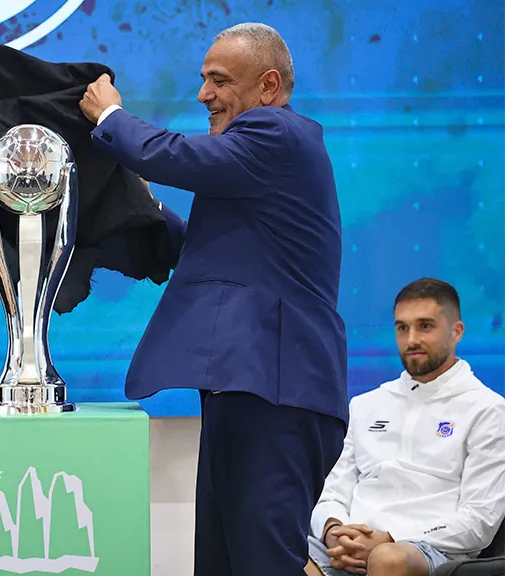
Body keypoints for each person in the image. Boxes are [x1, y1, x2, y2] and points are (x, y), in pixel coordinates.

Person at [80, 22, 348, 575]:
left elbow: (175, 155)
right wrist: (144, 211)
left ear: (269, 86)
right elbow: (214, 257)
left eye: (219, 80)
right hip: (245, 385)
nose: (204, 94)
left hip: (278, 387)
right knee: (223, 563)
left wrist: (110, 117)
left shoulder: (279, 134)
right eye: (203, 79)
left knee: (261, 563)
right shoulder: (260, 166)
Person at [306, 278, 505, 576]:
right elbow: (331, 491)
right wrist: (335, 530)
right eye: (402, 327)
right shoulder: (365, 405)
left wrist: (388, 539)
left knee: (388, 560)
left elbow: (480, 519)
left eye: (425, 326)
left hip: (427, 549)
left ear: (456, 332)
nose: (412, 340)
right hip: (349, 546)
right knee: (272, 550)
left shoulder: (487, 409)